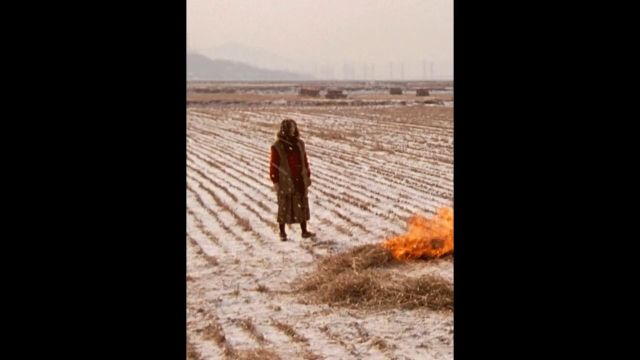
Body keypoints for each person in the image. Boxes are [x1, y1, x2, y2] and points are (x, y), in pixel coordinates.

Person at [269, 119, 315, 241]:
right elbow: (274, 165)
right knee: (284, 205)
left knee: (302, 204)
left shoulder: (300, 143)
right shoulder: (277, 146)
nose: (291, 130)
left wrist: (307, 175)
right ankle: (282, 233)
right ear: (283, 129)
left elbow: (305, 161)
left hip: (299, 178)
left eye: (293, 127)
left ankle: (304, 231)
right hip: (285, 180)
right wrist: (275, 182)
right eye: (289, 128)